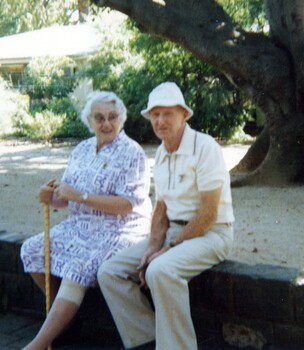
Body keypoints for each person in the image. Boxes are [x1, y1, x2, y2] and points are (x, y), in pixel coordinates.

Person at [98, 82, 235, 350]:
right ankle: (149, 340)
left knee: (160, 271)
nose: (160, 121)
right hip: (176, 233)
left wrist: (168, 248)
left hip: (212, 234)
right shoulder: (161, 153)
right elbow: (161, 209)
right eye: (155, 115)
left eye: (168, 113)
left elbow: (208, 214)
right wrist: (151, 247)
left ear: (184, 114)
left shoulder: (205, 147)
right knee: (109, 272)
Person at [20, 90, 152, 350]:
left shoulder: (132, 153)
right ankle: (65, 321)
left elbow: (127, 205)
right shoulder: (81, 150)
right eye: (99, 117)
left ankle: (36, 345)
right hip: (78, 227)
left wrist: (79, 196)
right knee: (31, 249)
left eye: (113, 117)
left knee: (77, 267)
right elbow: (66, 197)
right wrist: (51, 197)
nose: (106, 123)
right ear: (89, 121)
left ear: (122, 119)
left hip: (119, 229)